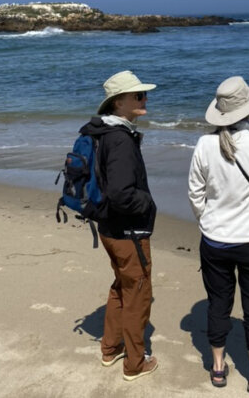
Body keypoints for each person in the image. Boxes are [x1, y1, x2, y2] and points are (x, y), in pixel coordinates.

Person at [188, 76, 249, 394]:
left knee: (218, 303)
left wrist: (207, 220)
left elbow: (195, 193)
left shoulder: (204, 145)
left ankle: (217, 369)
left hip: (214, 239)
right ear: (248, 109)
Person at [80, 70, 158, 381]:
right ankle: (135, 364)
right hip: (128, 231)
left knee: (121, 287)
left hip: (108, 227)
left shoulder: (99, 132)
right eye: (138, 95)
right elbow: (122, 194)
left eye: (144, 94)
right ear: (117, 103)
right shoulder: (120, 139)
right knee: (138, 292)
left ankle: (111, 349)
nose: (145, 99)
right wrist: (148, 204)